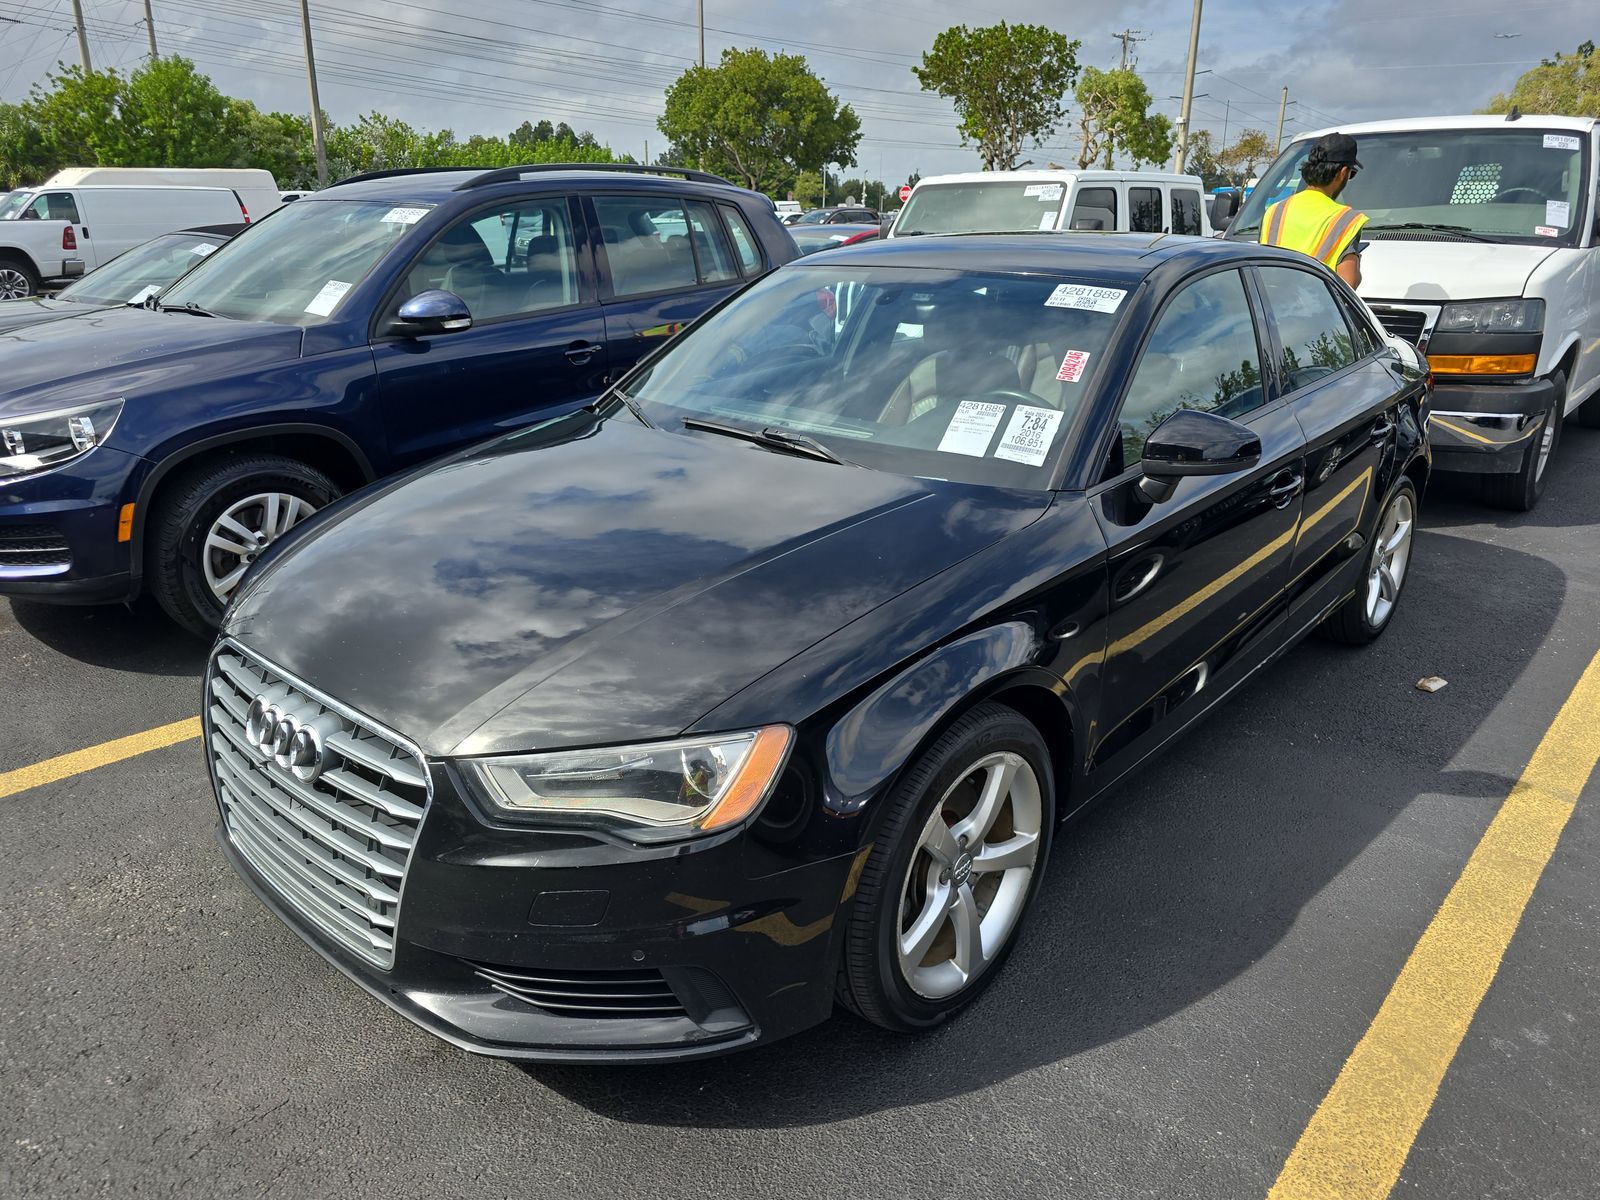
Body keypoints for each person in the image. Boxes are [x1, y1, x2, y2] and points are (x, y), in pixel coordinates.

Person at [1260, 133, 1367, 287]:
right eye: (1352, 173)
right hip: (1317, 301)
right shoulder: (1347, 220)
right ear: (1343, 172)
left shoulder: (1274, 211)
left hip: (1273, 300)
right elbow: (1349, 282)